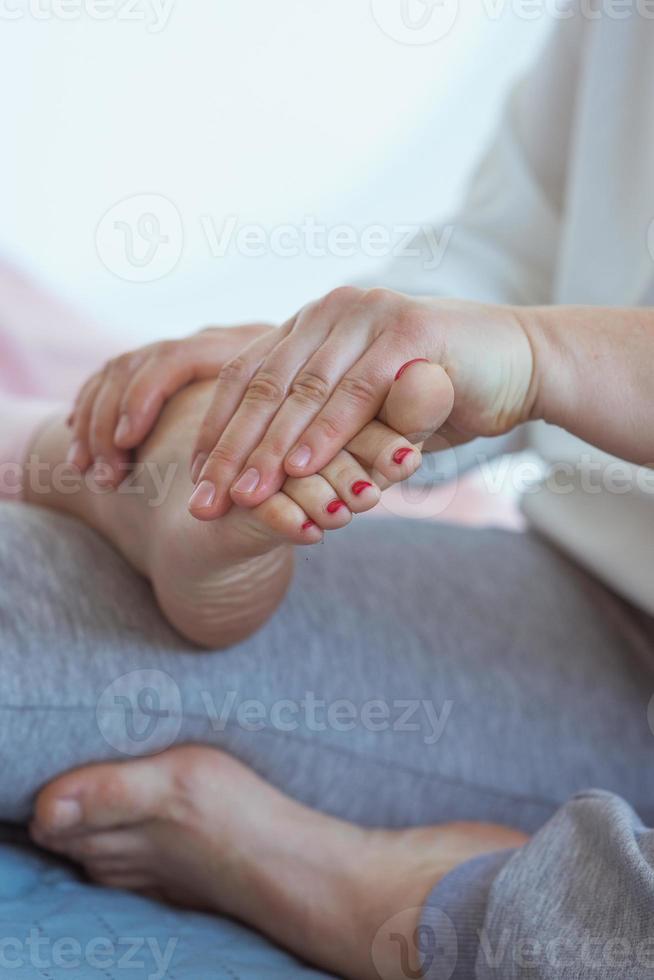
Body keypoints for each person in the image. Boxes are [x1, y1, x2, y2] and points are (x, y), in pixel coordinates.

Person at [4, 5, 654, 979]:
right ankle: (174, 467)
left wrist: (544, 354)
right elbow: (513, 255)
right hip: (608, 618)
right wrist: (334, 382)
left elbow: (533, 331)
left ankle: (382, 893)